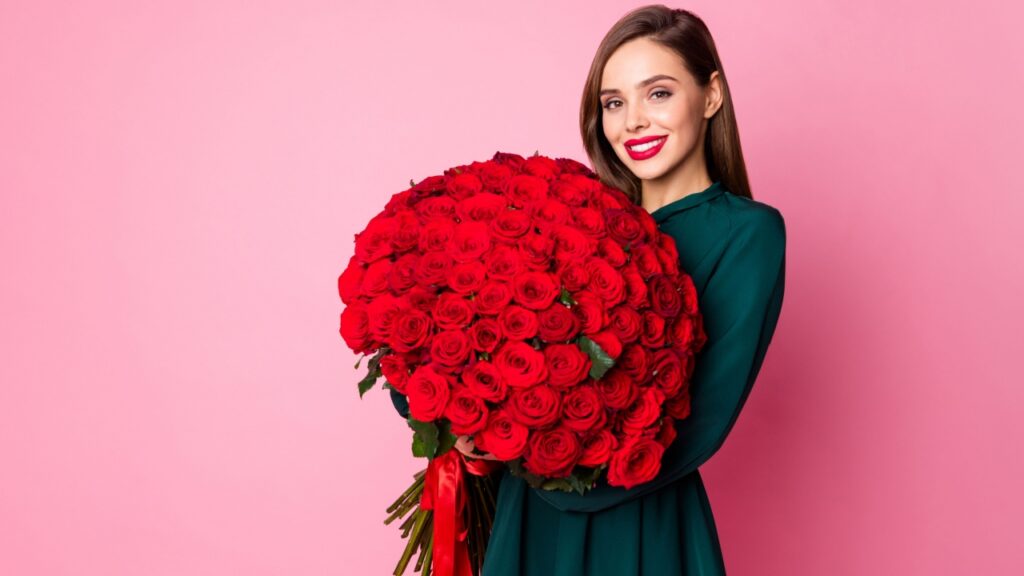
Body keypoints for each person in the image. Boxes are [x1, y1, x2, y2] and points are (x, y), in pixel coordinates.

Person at [391, 5, 786, 574]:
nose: (632, 122)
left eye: (658, 94)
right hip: (527, 516)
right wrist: (457, 417)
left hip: (640, 525)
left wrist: (531, 459)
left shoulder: (748, 233)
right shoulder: (576, 216)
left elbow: (698, 427)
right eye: (614, 103)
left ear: (711, 96)